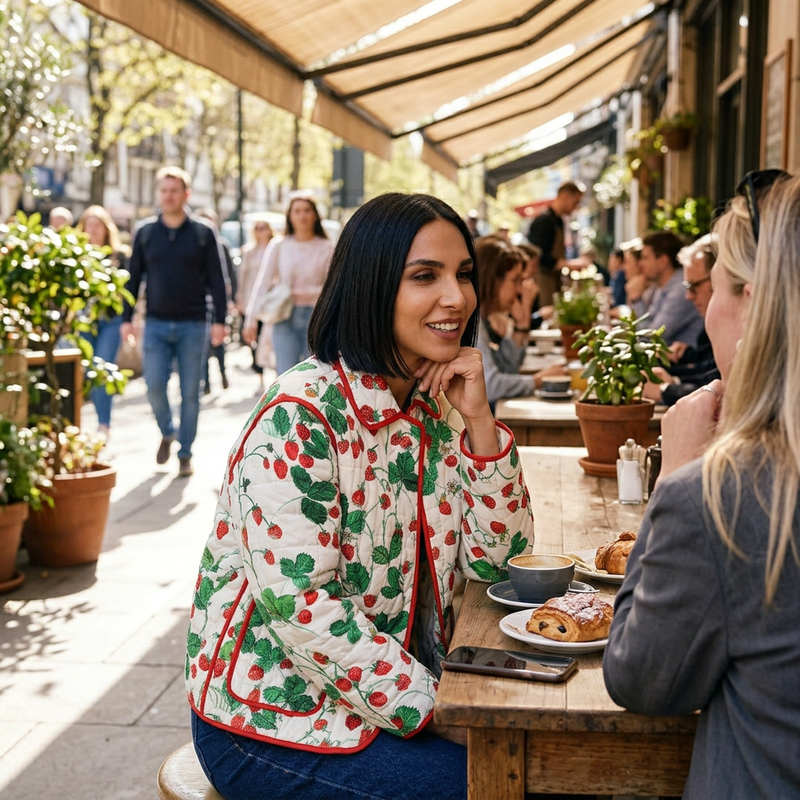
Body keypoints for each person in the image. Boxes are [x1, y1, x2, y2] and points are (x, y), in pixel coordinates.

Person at [187, 192, 535, 800]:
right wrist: (444, 709)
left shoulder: (436, 402)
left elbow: (498, 564)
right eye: (424, 276)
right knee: (500, 787)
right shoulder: (299, 418)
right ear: (371, 284)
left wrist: (480, 423)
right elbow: (304, 607)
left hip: (388, 695)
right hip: (272, 718)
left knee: (541, 768)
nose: (456, 297)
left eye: (462, 274)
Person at [603, 170, 800, 798]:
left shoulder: (727, 498)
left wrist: (682, 478)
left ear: (750, 301)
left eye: (714, 287)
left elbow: (641, 681)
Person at [120, 166, 227, 478]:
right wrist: (127, 319)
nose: (168, 196)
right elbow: (133, 278)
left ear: (186, 194)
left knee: (190, 392)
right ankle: (168, 431)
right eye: (163, 190)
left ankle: (185, 453)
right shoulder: (145, 233)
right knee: (153, 385)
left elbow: (217, 281)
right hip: (155, 323)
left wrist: (220, 321)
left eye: (174, 191)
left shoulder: (203, 233)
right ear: (159, 193)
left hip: (194, 324)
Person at [243, 194, 333, 376]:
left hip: (316, 318)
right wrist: (251, 319)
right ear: (290, 216)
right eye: (297, 211)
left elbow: (334, 287)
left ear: (315, 215)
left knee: (316, 377)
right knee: (286, 376)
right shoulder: (279, 245)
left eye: (307, 210)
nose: (302, 215)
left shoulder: (327, 247)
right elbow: (263, 282)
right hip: (284, 316)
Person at [475, 237, 566, 409]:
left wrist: (522, 322)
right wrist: (538, 380)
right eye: (515, 280)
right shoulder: (472, 325)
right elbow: (489, 385)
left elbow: (509, 369)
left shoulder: (481, 320)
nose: (519, 290)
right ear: (493, 279)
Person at [642, 235, 719, 405]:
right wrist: (673, 380)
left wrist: (667, 389)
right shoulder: (712, 328)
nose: (688, 296)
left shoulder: (743, 330)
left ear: (721, 280)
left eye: (694, 286)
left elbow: (722, 395)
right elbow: (708, 377)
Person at [76, 205, 130, 436]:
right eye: (90, 225)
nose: (94, 230)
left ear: (107, 228)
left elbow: (129, 291)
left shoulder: (120, 256)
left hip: (110, 320)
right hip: (84, 322)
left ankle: (103, 425)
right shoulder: (76, 256)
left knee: (101, 369)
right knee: (87, 371)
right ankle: (93, 422)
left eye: (98, 225)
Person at [637, 231, 704, 347]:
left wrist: (636, 299)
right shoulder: (664, 286)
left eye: (645, 258)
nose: (640, 264)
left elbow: (651, 337)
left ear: (663, 261)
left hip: (683, 362)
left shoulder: (680, 290)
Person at [526, 181, 588, 305]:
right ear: (565, 196)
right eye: (575, 202)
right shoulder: (544, 221)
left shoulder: (559, 220)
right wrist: (568, 265)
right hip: (543, 279)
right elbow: (540, 255)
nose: (576, 207)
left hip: (554, 278)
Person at [195, 207, 236, 394]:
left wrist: (230, 299)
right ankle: (206, 383)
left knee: (219, 344)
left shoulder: (222, 245)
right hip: (200, 302)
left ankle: (223, 373)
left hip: (217, 300)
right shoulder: (193, 245)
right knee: (203, 344)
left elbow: (227, 275)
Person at [235, 219, 273, 390]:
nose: (260, 231)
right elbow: (241, 277)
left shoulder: (274, 249)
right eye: (257, 228)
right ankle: (260, 377)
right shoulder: (248, 251)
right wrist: (240, 299)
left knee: (269, 338)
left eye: (263, 227)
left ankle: (273, 372)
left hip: (270, 304)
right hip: (251, 302)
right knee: (252, 338)